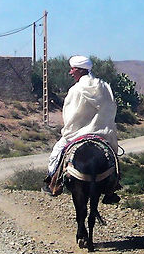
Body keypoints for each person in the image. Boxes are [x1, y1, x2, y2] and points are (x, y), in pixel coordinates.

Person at [44, 55, 121, 203]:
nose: (70, 72)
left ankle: (53, 182)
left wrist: (75, 127)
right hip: (102, 131)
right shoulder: (104, 86)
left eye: (72, 69)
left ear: (79, 70)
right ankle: (113, 187)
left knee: (57, 152)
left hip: (78, 132)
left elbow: (71, 114)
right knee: (113, 154)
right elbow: (110, 108)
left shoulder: (76, 89)